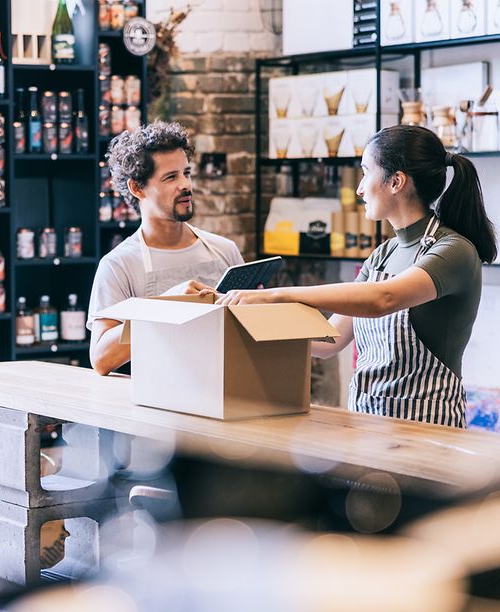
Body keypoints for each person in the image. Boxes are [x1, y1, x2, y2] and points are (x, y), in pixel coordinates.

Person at [213, 125, 497, 428]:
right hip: (365, 423)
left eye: (366, 172)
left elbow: (382, 299)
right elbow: (329, 340)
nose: (360, 188)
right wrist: (251, 320)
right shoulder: (384, 253)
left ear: (396, 182)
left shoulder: (453, 251)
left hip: (426, 428)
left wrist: (276, 294)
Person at [89, 121, 243, 375]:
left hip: (229, 392)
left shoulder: (224, 250)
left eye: (187, 173)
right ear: (137, 188)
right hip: (159, 402)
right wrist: (167, 304)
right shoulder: (119, 265)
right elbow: (101, 358)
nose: (186, 185)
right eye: (171, 177)